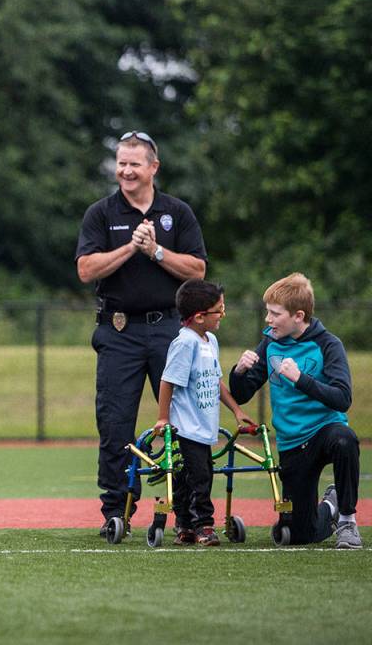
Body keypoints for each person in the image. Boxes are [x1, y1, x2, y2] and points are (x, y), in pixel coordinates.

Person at [75, 131, 208, 535]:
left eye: (134, 163)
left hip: (170, 329)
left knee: (185, 423)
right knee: (115, 424)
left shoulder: (177, 212)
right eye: (121, 163)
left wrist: (156, 251)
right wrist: (131, 248)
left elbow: (198, 271)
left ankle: (190, 516)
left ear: (153, 167)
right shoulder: (100, 213)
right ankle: (117, 512)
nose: (126, 171)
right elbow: (85, 270)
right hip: (118, 332)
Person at [229, 273, 361, 549]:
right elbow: (242, 393)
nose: (268, 319)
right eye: (267, 312)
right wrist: (239, 372)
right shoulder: (269, 344)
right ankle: (331, 505)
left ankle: (348, 520)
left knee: (344, 439)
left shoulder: (328, 344)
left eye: (275, 314)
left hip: (325, 430)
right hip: (291, 443)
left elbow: (343, 398)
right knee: (298, 535)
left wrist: (301, 379)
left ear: (298, 316)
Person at [152, 279, 252, 546]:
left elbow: (216, 381)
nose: (223, 314)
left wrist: (237, 410)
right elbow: (168, 380)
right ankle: (204, 526)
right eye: (219, 310)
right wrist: (163, 418)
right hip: (188, 426)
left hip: (205, 425)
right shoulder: (185, 343)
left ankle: (184, 524)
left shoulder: (211, 341)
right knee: (200, 476)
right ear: (199, 317)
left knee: (191, 476)